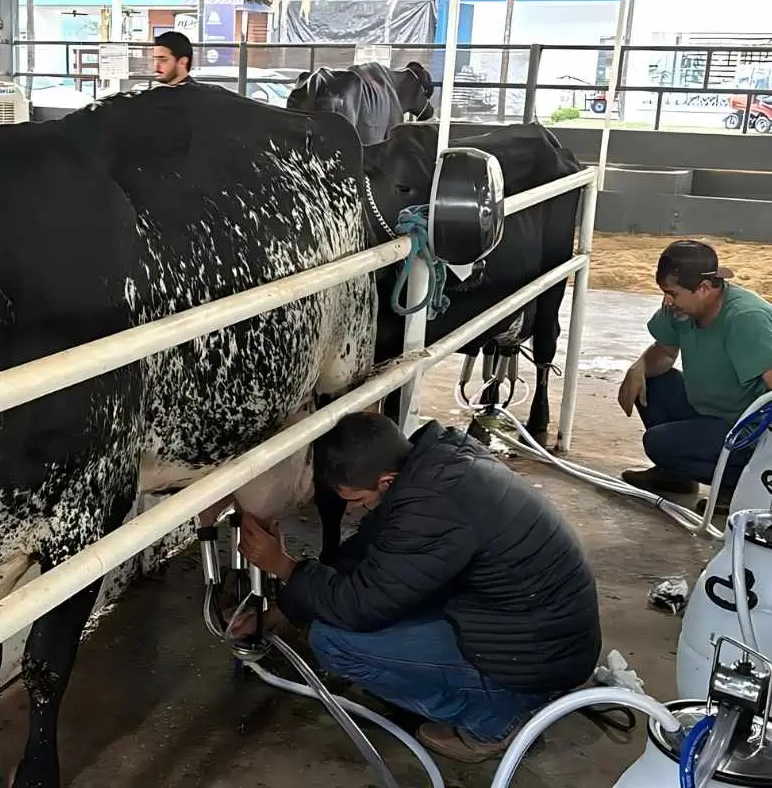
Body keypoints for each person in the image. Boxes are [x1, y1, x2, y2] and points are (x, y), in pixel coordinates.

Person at [232, 411, 602, 763]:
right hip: (538, 634)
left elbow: (360, 607)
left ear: (385, 481)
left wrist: (284, 566)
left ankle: (493, 722)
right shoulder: (435, 465)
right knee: (364, 605)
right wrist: (279, 611)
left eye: (357, 500)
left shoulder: (431, 507)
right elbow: (365, 556)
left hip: (536, 661)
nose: (357, 510)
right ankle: (502, 698)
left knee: (333, 641)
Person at [618, 239, 772, 511]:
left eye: (673, 293)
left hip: (745, 430)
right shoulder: (680, 309)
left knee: (659, 443)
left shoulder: (746, 319)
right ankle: (675, 476)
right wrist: (639, 367)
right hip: (709, 411)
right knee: (654, 382)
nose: (667, 301)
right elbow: (665, 352)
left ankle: (738, 485)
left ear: (704, 288)